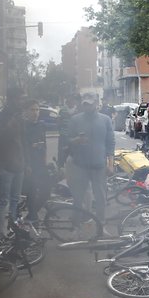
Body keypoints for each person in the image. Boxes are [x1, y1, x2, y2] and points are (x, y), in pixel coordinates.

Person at [61, 97, 115, 228]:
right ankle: (76, 225)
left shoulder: (105, 119)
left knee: (100, 197)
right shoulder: (75, 119)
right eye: (85, 104)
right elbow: (66, 140)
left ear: (96, 104)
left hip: (99, 165)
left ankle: (101, 225)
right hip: (80, 165)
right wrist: (76, 140)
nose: (87, 107)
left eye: (90, 104)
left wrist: (111, 164)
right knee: (78, 197)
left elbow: (110, 143)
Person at [0, 98, 34, 232]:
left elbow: (23, 143)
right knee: (4, 200)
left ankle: (13, 228)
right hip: (5, 166)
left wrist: (27, 163)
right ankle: (1, 232)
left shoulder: (20, 121)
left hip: (19, 165)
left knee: (15, 198)